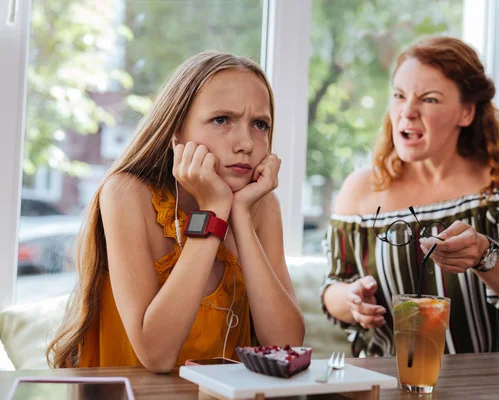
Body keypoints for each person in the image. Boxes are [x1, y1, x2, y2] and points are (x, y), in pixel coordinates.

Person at [46, 52, 305, 372]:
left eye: (259, 124)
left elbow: (288, 347)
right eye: (222, 120)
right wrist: (212, 212)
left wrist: (239, 215)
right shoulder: (126, 194)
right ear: (176, 131)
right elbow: (156, 355)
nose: (246, 143)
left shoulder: (260, 206)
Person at [320, 37, 499, 356]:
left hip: (495, 379)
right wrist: (352, 301)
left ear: (466, 112)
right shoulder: (358, 192)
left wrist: (483, 253)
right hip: (388, 380)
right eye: (398, 95)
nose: (407, 112)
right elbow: (333, 287)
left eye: (430, 100)